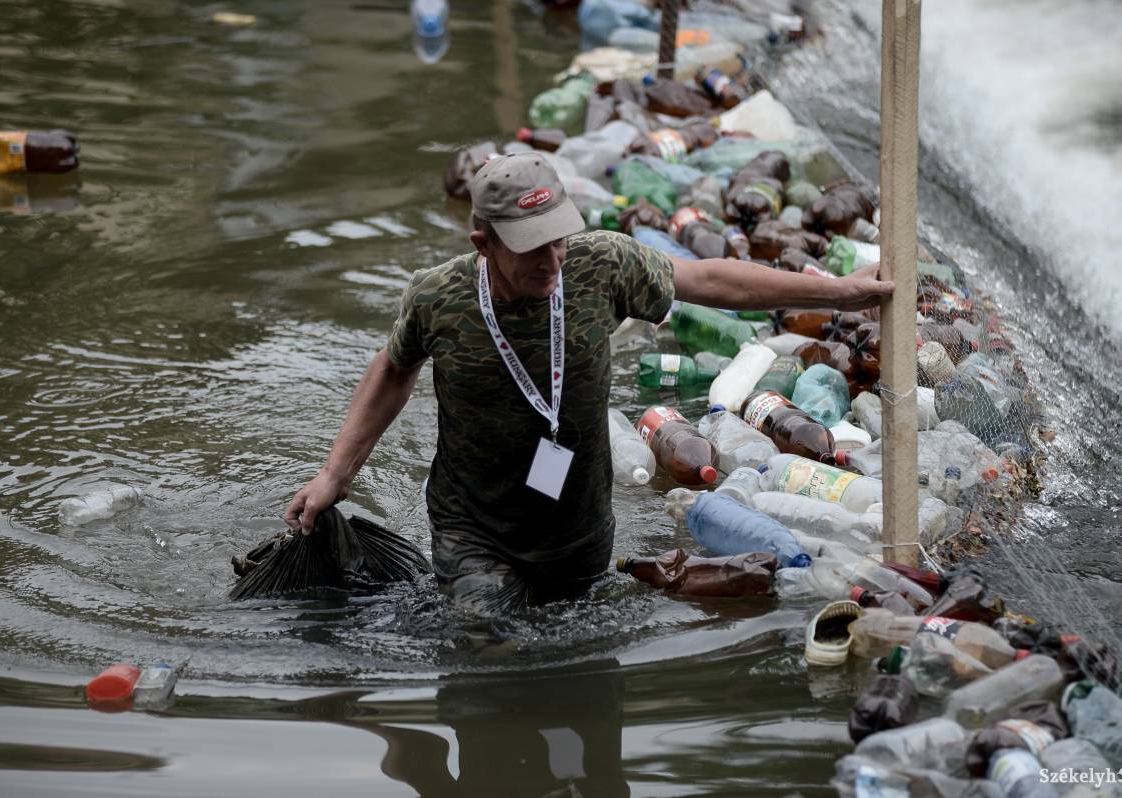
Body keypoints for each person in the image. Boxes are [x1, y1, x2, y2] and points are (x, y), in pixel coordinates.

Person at [284, 152, 893, 615]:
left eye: (557, 239)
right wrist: (335, 474)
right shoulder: (438, 297)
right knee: (486, 636)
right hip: (474, 528)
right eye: (530, 249)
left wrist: (844, 292)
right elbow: (393, 368)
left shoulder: (600, 264)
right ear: (483, 244)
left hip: (578, 525)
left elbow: (715, 282)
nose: (552, 263)